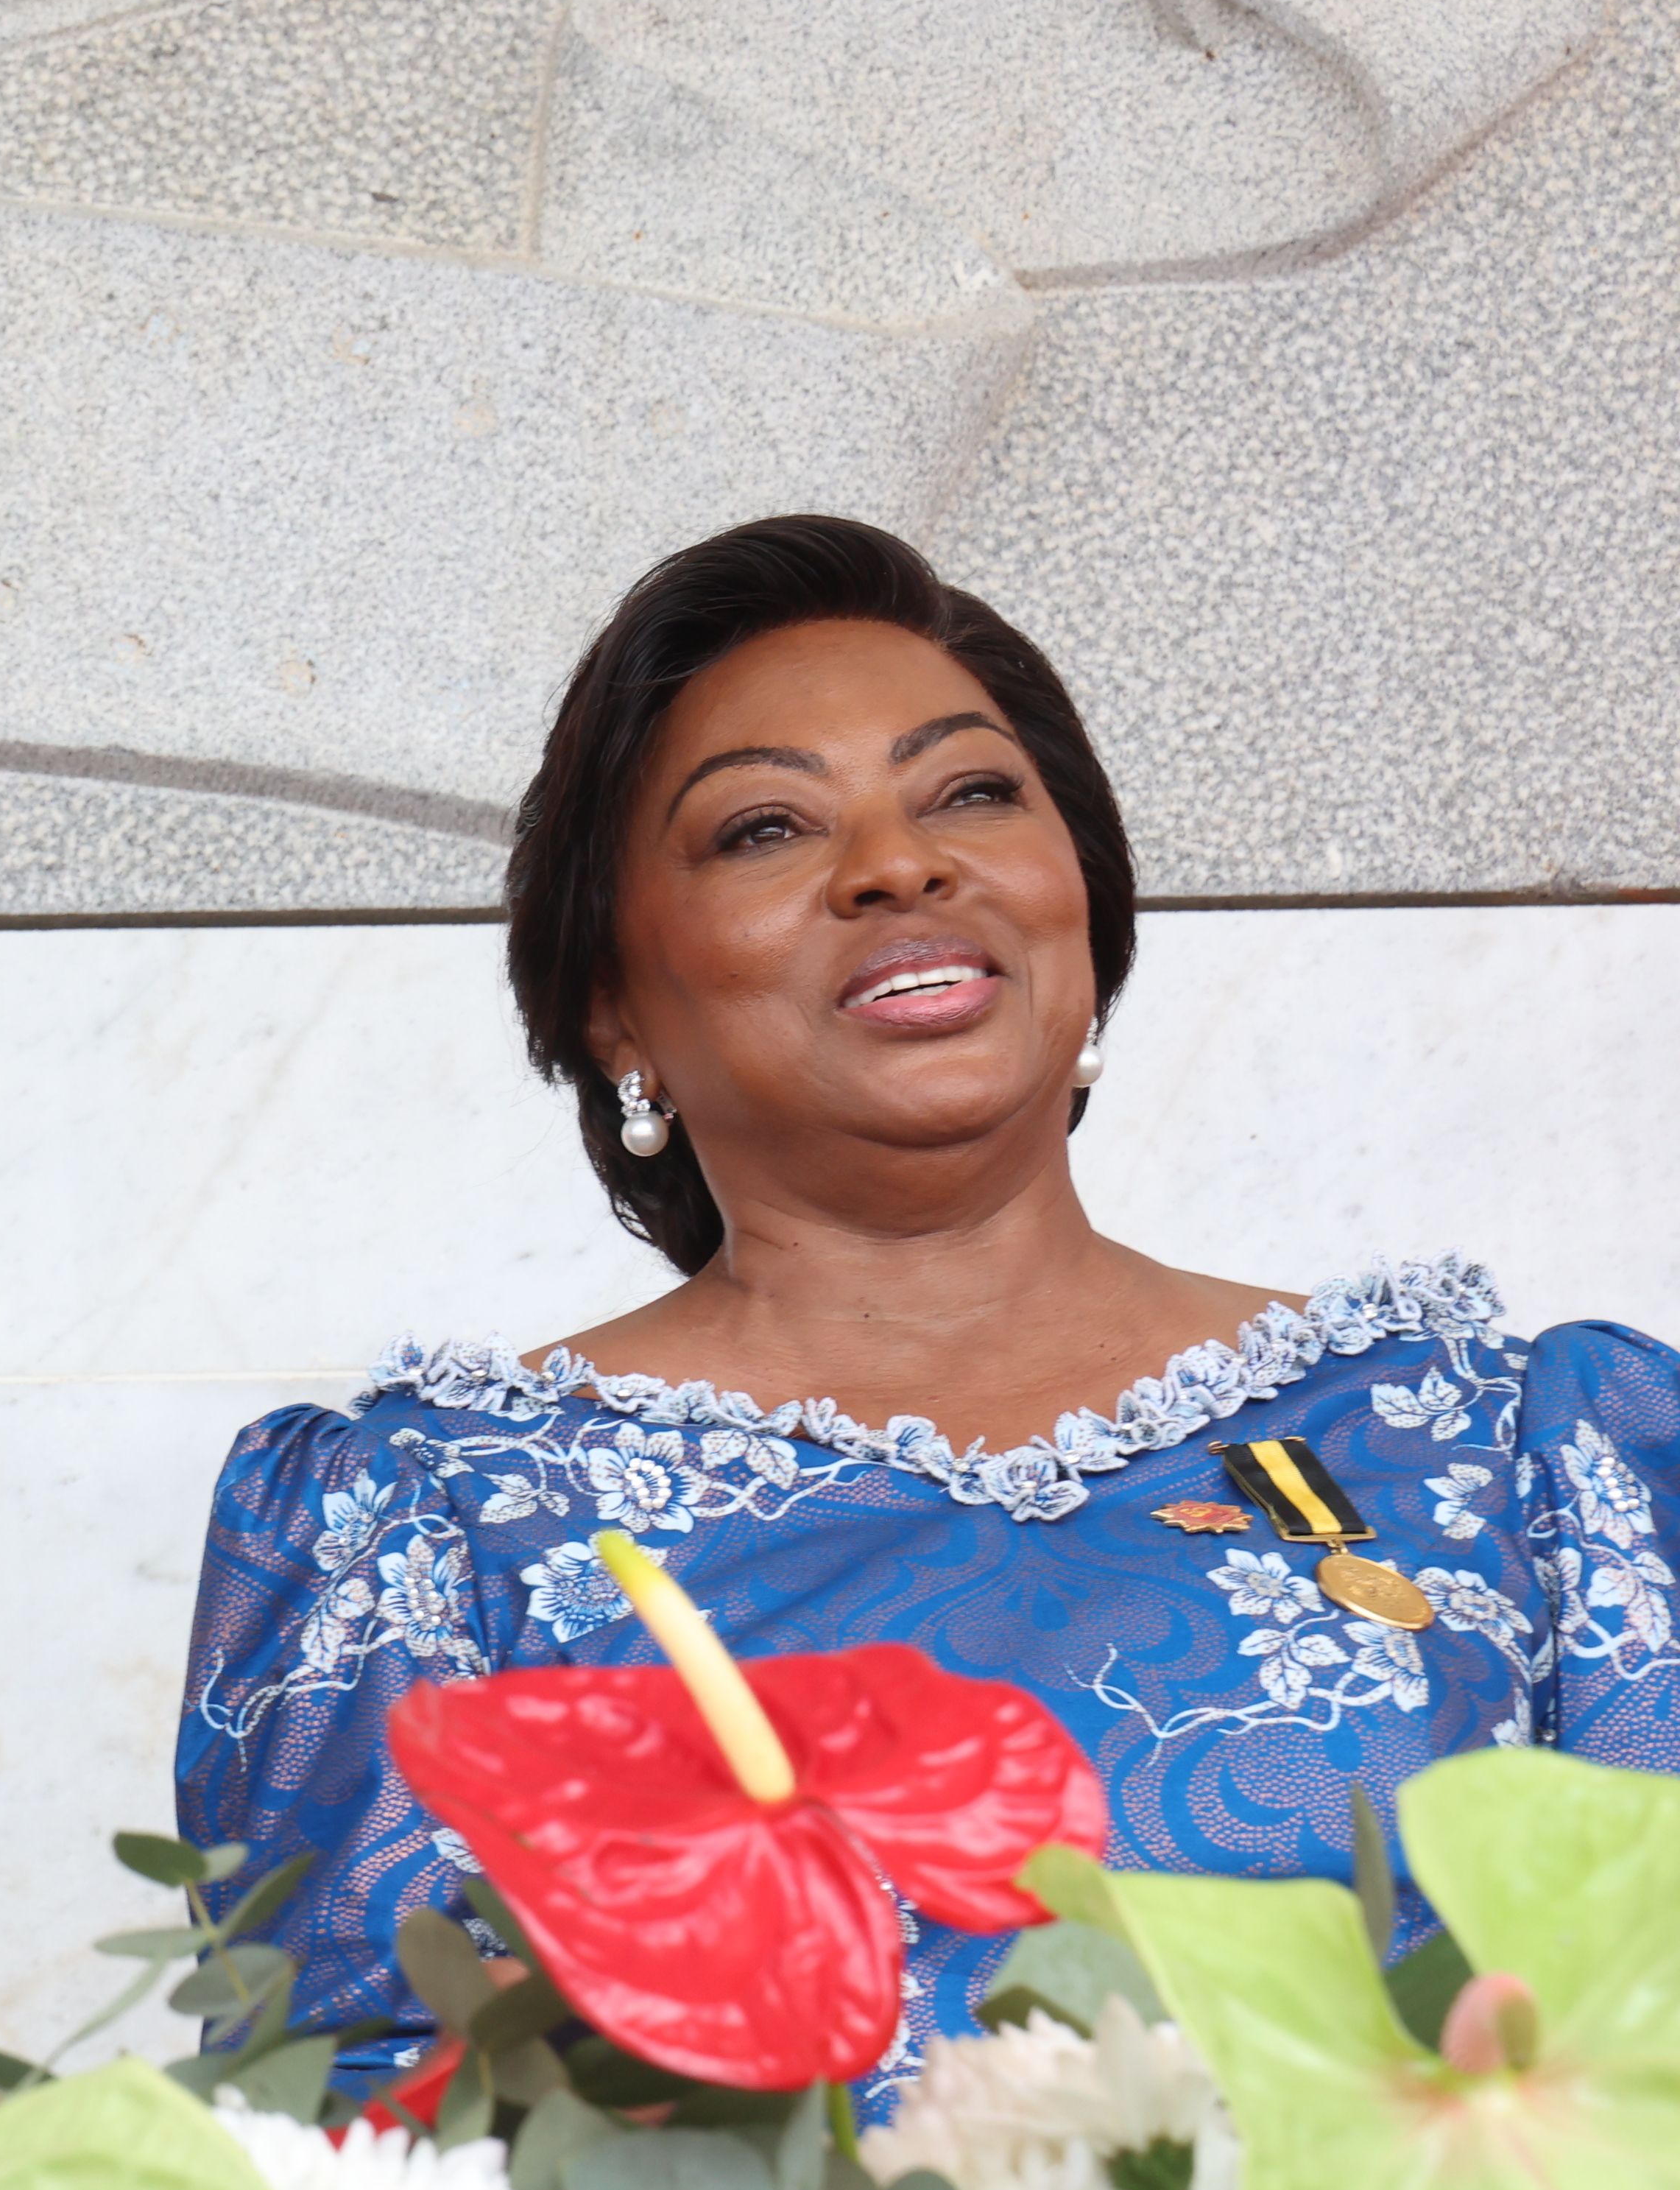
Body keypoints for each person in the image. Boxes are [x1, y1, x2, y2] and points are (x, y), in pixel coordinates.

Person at [176, 515, 1679, 2088]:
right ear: (615, 1008)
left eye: (972, 792)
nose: (900, 863)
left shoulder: (1519, 1446)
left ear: (1083, 900)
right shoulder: (422, 1520)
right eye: (763, 827)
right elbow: (348, 2143)